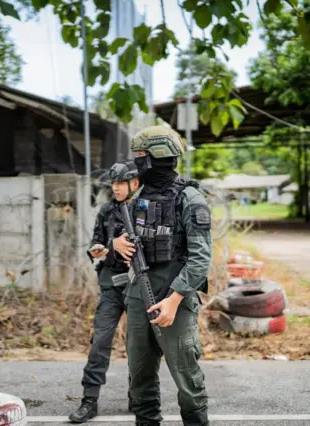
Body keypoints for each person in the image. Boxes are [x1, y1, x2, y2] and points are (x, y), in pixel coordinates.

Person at [112, 125, 213, 426]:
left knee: (187, 380)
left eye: (141, 156)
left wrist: (175, 299)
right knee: (139, 378)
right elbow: (127, 235)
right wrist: (117, 242)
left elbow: (200, 258)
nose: (137, 163)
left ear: (159, 157)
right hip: (139, 294)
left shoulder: (190, 198)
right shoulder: (138, 196)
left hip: (175, 299)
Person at [69, 160, 141, 424]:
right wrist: (113, 245)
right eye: (114, 183)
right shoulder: (106, 211)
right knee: (100, 341)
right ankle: (89, 401)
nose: (117, 188)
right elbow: (93, 250)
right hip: (112, 286)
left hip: (138, 287)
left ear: (135, 183)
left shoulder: (146, 209)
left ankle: (139, 395)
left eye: (121, 183)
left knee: (138, 345)